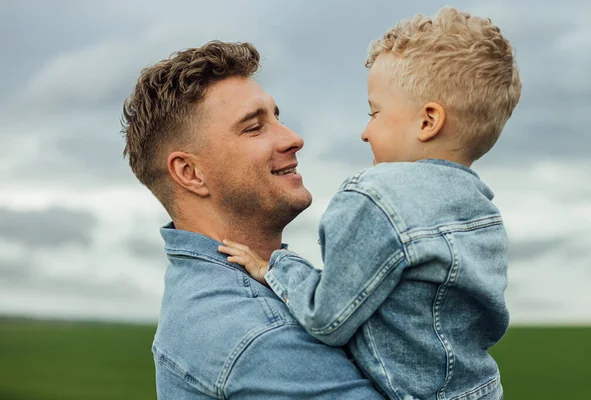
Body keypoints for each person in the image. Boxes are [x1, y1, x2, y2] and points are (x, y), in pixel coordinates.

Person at [218, 7, 522, 400]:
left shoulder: (374, 197)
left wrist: (274, 265)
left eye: (374, 112)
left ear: (428, 121)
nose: (365, 132)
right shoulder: (482, 210)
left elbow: (326, 318)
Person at [121, 41, 386, 399]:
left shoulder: (205, 300)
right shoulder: (256, 334)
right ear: (190, 173)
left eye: (277, 116)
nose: (294, 138)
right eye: (253, 127)